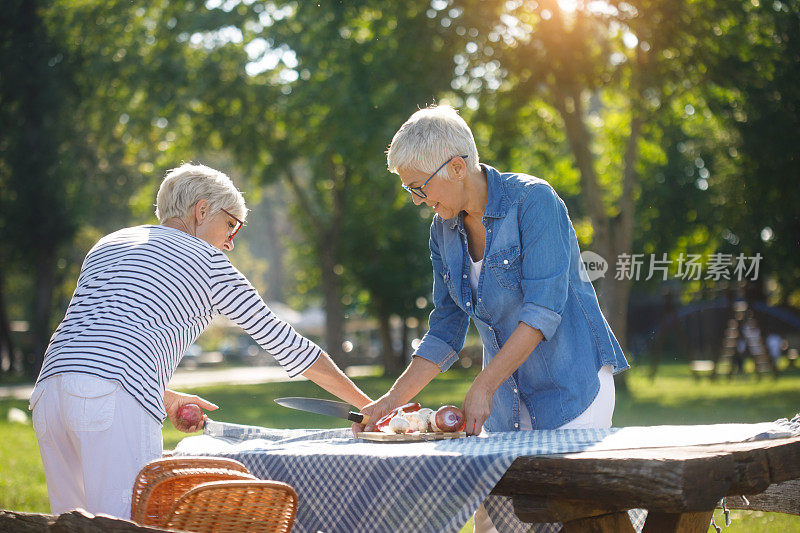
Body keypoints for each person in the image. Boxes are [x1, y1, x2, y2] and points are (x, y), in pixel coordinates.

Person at [30, 163, 371, 519]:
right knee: (127, 524)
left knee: (69, 524)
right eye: (230, 224)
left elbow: (99, 344)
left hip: (50, 393)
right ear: (202, 209)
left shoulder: (109, 243)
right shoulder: (207, 261)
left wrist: (165, 396)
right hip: (109, 400)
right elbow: (286, 343)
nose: (230, 241)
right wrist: (369, 406)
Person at [353, 105, 629, 531]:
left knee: (573, 520)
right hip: (505, 401)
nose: (417, 201)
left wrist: (483, 384)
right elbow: (445, 329)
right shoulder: (443, 231)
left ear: (458, 166)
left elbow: (542, 312)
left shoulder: (534, 201)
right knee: (498, 524)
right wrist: (390, 403)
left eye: (420, 188)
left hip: (571, 388)